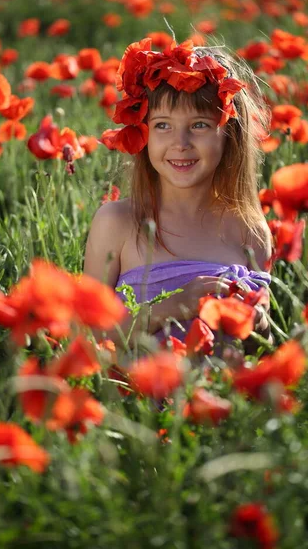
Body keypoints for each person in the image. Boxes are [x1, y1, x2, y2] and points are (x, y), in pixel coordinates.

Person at [84, 37, 274, 365]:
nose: (180, 143)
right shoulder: (117, 222)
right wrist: (176, 306)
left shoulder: (250, 230)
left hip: (219, 404)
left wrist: (259, 324)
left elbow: (262, 351)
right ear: (142, 133)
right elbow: (85, 336)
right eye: (162, 126)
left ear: (230, 134)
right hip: (132, 406)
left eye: (199, 125)